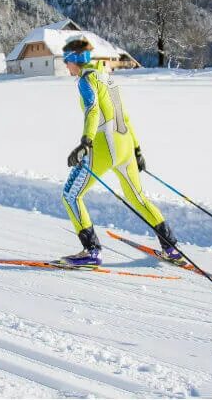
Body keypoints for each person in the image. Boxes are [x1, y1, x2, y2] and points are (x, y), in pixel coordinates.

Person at [57, 35, 183, 267]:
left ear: (76, 59)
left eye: (66, 60)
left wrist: (85, 141)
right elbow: (124, 116)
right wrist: (136, 149)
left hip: (105, 146)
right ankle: (171, 247)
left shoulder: (86, 81)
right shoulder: (108, 79)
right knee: (138, 198)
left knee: (71, 195)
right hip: (124, 145)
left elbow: (92, 111)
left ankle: (91, 251)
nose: (65, 65)